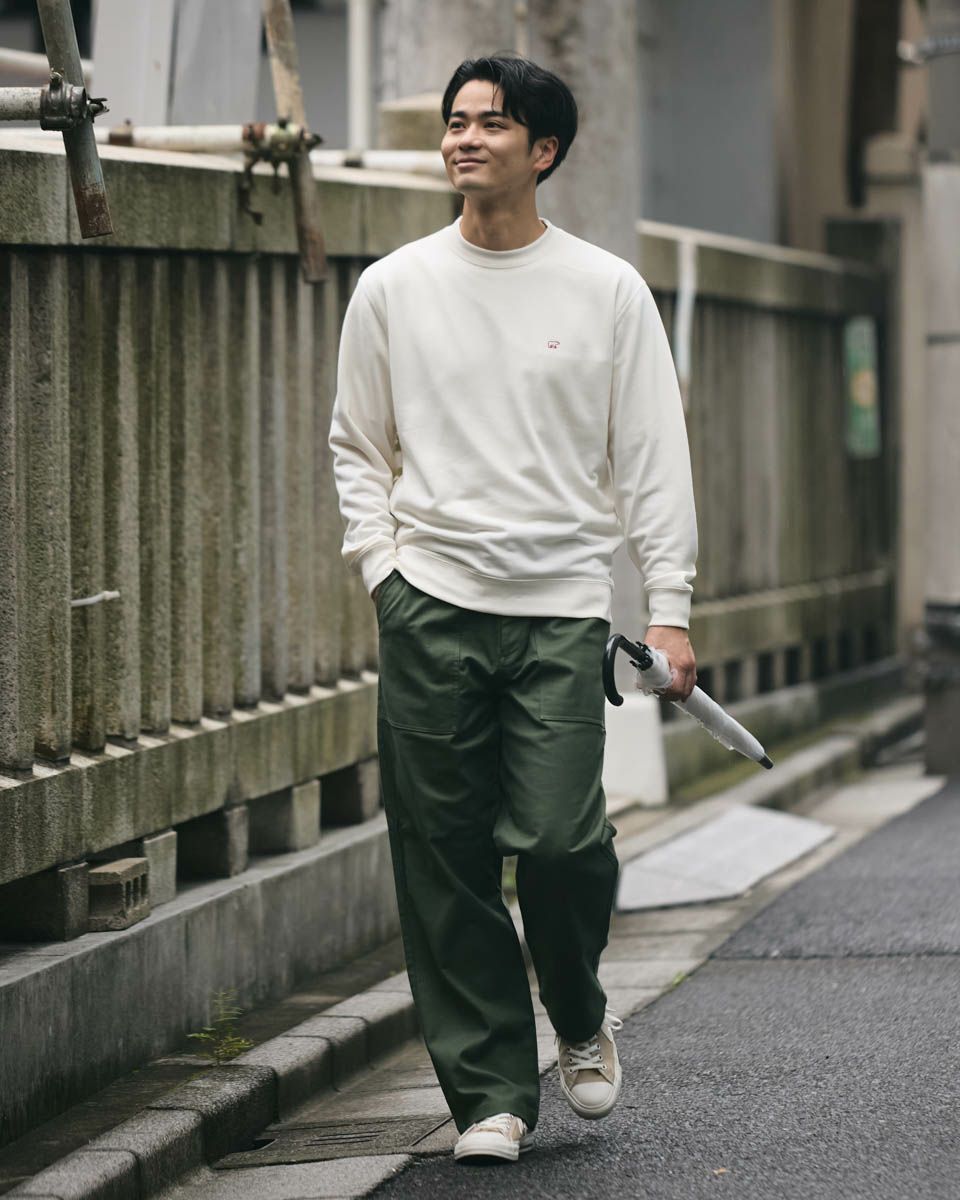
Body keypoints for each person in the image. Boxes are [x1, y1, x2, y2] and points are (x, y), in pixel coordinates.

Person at [329, 53, 697, 1164]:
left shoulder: (605, 290)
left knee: (561, 840)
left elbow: (652, 459)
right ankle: (490, 1092)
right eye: (455, 122)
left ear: (543, 150)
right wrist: (384, 572)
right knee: (443, 859)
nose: (464, 138)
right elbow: (358, 446)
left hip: (559, 610)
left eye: (491, 123)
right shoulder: (394, 287)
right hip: (429, 603)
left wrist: (669, 606)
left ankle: (577, 1009)